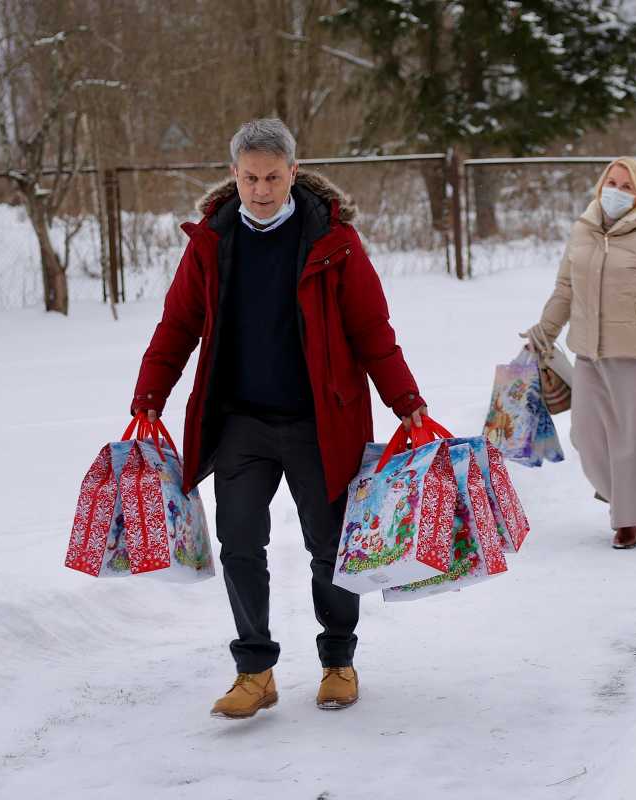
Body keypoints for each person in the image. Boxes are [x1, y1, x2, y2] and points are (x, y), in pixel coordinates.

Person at [131, 118, 428, 719]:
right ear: (233, 176)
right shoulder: (212, 241)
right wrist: (149, 395)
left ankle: (338, 660)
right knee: (239, 542)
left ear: (293, 173)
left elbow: (372, 332)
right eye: (249, 178)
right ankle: (254, 670)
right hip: (240, 421)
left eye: (272, 177)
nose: (261, 189)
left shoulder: (334, 241)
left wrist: (408, 402)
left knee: (329, 547)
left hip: (319, 422)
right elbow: (177, 325)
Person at [522, 158, 636, 550]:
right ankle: (622, 495)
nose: (616, 191)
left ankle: (628, 519)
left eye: (627, 186)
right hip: (590, 354)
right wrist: (544, 334)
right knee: (586, 437)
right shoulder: (582, 232)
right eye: (612, 182)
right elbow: (564, 290)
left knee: (632, 443)